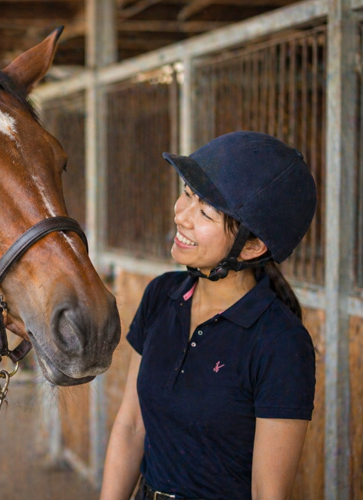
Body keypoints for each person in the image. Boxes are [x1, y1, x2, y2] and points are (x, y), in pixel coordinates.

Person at [100, 131, 317, 500]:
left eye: (205, 212)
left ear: (252, 246)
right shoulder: (161, 296)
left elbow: (269, 491)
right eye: (187, 193)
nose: (181, 215)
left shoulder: (280, 343)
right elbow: (132, 425)